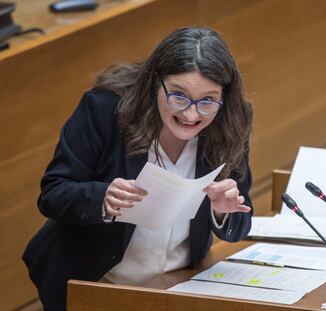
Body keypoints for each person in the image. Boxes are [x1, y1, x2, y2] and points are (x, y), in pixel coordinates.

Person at [23, 27, 253, 311]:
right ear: (155, 83)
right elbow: (54, 193)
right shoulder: (105, 109)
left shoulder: (231, 119)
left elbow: (241, 219)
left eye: (207, 101)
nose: (191, 114)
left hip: (177, 284)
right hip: (96, 284)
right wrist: (103, 199)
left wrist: (222, 210)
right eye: (178, 96)